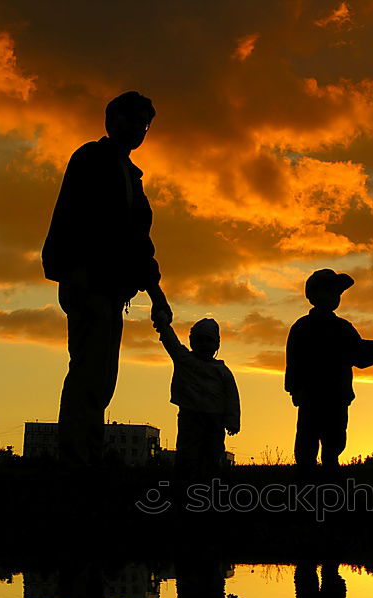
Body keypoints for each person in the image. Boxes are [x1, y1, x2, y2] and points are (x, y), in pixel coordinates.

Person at [42, 91, 173, 467]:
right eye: (131, 120)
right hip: (89, 283)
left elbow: (137, 242)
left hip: (111, 288)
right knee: (89, 373)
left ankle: (85, 457)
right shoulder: (92, 159)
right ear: (111, 121)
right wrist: (76, 273)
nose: (137, 129)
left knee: (100, 377)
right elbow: (73, 218)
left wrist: (157, 294)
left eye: (144, 124)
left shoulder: (130, 174)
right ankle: (77, 460)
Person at [285, 269, 373, 470]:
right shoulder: (302, 328)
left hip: (336, 397)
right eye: (328, 291)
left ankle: (329, 473)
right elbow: (294, 361)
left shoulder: (342, 328)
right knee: (307, 443)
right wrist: (295, 388)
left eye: (336, 293)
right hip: (311, 396)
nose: (332, 297)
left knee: (333, 441)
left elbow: (360, 353)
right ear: (313, 295)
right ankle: (306, 477)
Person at [157, 318, 240, 479]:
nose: (204, 345)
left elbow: (232, 398)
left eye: (208, 340)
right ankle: (186, 482)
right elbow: (170, 342)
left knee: (213, 452)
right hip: (190, 416)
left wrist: (232, 420)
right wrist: (163, 325)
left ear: (216, 345)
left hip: (215, 419)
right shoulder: (184, 360)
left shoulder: (223, 371)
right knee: (187, 452)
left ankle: (209, 483)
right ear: (192, 342)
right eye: (199, 340)